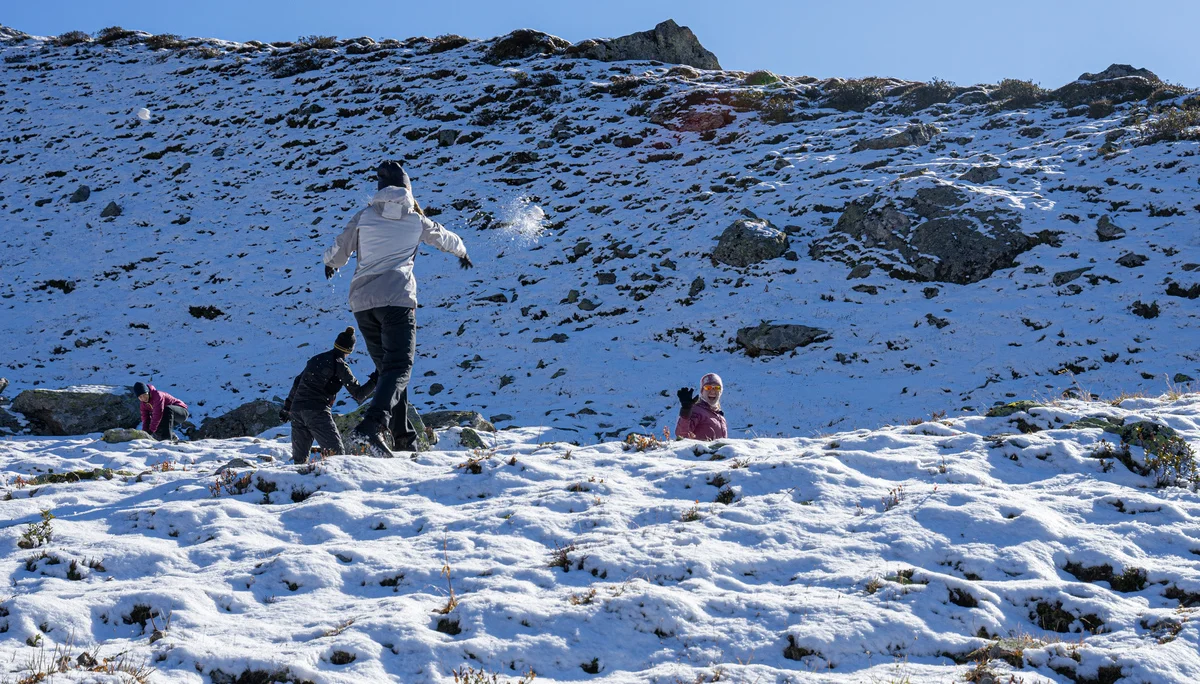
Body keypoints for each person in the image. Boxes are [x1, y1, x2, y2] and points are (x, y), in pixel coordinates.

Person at [323, 161, 472, 457]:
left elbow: (339, 252)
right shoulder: (416, 220)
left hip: (363, 305)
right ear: (408, 188)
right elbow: (446, 238)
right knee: (400, 367)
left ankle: (403, 440)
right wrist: (463, 252)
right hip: (397, 301)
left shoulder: (364, 216)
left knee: (387, 372)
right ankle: (372, 425)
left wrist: (329, 264)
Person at [281, 326, 378, 464]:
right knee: (336, 454)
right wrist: (375, 379)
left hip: (297, 411)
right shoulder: (340, 365)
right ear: (350, 350)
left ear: (336, 343)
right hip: (317, 411)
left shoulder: (315, 359)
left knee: (299, 460)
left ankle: (297, 484)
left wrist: (287, 407)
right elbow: (359, 394)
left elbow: (297, 382)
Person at [675, 372, 728, 441]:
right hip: (700, 451)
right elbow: (682, 435)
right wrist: (686, 410)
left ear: (721, 391)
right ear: (702, 391)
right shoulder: (696, 411)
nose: (712, 391)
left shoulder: (720, 417)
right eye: (708, 387)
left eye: (717, 387)